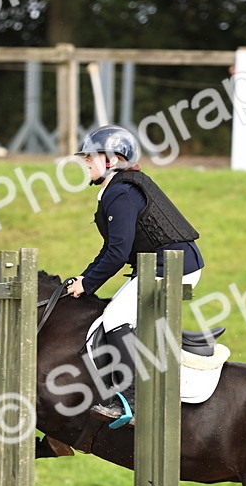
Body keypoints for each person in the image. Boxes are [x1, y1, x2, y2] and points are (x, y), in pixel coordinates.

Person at [66, 125, 204, 427]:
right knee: (111, 315)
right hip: (159, 265)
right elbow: (111, 249)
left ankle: (131, 398)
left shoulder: (121, 192)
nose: (86, 161)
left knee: (116, 317)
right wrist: (84, 279)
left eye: (91, 156)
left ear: (113, 159)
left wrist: (89, 283)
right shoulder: (117, 189)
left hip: (173, 267)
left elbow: (118, 252)